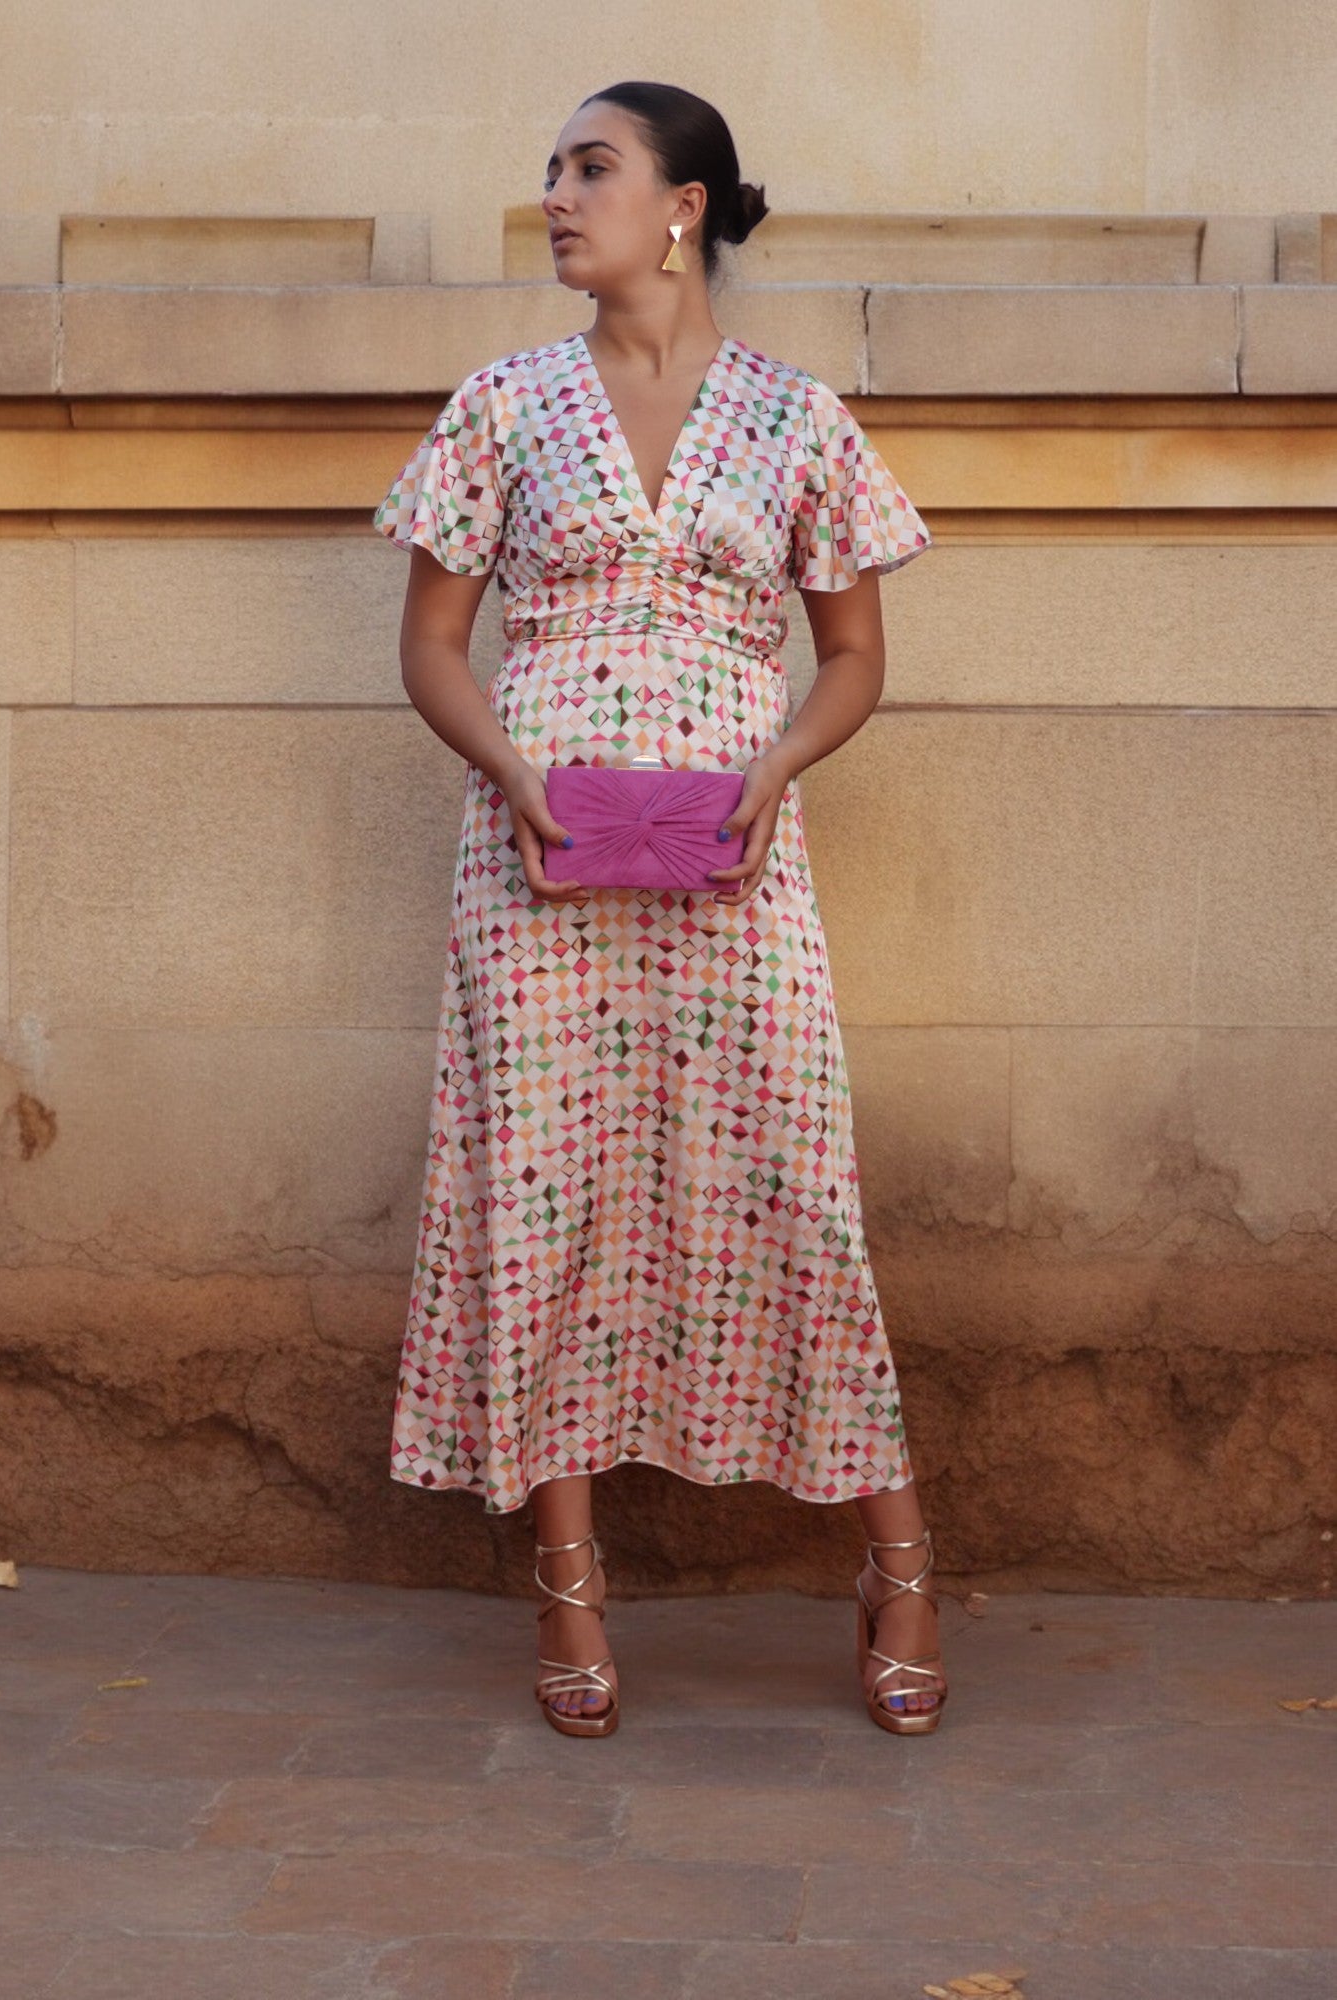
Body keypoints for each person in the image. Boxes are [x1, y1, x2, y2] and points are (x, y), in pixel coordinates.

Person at [372, 80, 945, 1740]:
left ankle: (896, 1554)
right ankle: (569, 1586)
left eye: (591, 169)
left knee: (793, 1187)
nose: (556, 196)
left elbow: (853, 658)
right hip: (538, 869)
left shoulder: (795, 417)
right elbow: (428, 647)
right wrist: (513, 773)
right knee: (546, 1207)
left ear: (682, 205)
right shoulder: (499, 405)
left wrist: (772, 772)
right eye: (550, 170)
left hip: (732, 867)